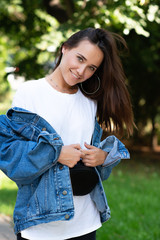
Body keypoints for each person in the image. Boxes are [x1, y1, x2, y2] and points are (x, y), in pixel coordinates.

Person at [0, 27, 134, 240]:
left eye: (91, 67)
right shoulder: (30, 92)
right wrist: (55, 154)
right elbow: (9, 154)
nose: (82, 71)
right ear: (65, 48)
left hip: (85, 223)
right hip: (40, 225)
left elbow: (98, 164)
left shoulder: (90, 101)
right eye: (79, 59)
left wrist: (103, 157)